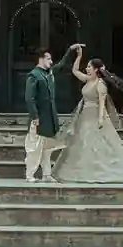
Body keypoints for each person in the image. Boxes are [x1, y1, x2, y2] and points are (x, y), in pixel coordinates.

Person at [52, 49, 123, 183]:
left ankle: (101, 170)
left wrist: (100, 119)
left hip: (95, 115)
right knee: (81, 142)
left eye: (89, 67)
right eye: (87, 66)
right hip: (84, 116)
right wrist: (79, 56)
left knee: (97, 143)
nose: (87, 69)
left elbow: (102, 104)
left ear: (96, 69)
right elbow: (75, 71)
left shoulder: (100, 85)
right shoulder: (88, 80)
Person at [24, 42, 78, 182]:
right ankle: (30, 174)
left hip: (49, 117)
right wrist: (35, 116)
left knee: (47, 148)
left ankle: (47, 174)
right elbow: (30, 98)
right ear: (41, 59)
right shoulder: (34, 75)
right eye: (48, 59)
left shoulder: (48, 73)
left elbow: (60, 65)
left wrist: (70, 50)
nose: (51, 61)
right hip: (39, 117)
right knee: (35, 147)